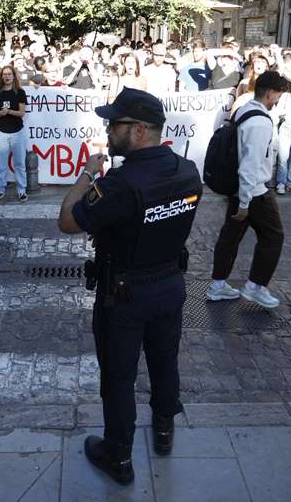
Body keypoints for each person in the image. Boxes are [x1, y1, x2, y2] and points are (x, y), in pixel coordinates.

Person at [57, 88, 202, 485]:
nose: (108, 129)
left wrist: (88, 173)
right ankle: (164, 430)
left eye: (114, 124)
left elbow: (67, 220)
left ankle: (118, 455)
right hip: (170, 286)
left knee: (119, 376)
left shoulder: (120, 183)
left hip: (125, 295)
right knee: (165, 360)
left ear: (139, 130)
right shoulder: (187, 170)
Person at [208, 72, 291, 307]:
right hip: (254, 193)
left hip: (242, 189)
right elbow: (250, 165)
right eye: (278, 94)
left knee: (230, 238)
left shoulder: (245, 110)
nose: (279, 99)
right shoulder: (260, 121)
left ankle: (218, 285)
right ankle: (255, 286)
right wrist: (244, 203)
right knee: (273, 237)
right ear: (270, 93)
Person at [0, 65, 28, 203]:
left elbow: (22, 113)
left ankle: (21, 190)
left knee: (19, 163)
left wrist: (9, 111)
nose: (7, 76)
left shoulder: (20, 92)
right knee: (1, 164)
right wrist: (1, 113)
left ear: (14, 76)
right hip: (1, 132)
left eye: (9, 74)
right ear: (1, 77)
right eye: (4, 74)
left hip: (17, 132)